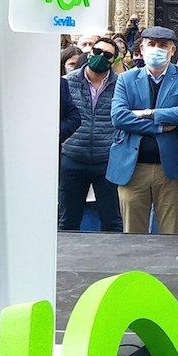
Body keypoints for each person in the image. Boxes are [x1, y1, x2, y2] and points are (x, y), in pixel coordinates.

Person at [108, 26, 178, 235]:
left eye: (163, 46)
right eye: (151, 45)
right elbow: (119, 117)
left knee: (172, 235)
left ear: (172, 50)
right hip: (133, 168)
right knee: (133, 235)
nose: (156, 49)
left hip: (171, 169)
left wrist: (147, 113)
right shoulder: (126, 79)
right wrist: (161, 124)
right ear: (142, 48)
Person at [62, 36, 125, 233]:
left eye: (107, 55)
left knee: (112, 221)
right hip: (73, 157)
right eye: (97, 52)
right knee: (67, 220)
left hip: (106, 159)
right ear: (90, 53)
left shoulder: (122, 84)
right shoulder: (67, 82)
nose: (100, 57)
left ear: (113, 60)